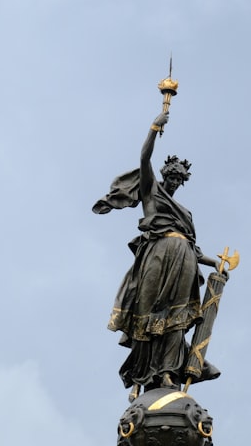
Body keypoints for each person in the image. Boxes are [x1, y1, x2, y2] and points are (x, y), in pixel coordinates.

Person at [93, 112, 220, 402]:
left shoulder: (185, 213)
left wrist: (218, 264)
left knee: (176, 317)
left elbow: (192, 245)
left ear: (184, 180)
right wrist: (154, 127)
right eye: (171, 175)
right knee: (146, 311)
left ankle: (166, 372)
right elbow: (144, 158)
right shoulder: (151, 190)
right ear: (164, 174)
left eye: (179, 178)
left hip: (183, 258)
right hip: (157, 255)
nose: (174, 180)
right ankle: (140, 375)